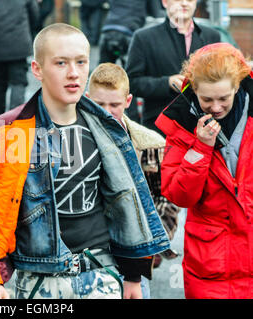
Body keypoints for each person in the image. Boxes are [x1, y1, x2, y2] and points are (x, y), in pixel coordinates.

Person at [0, 23, 170, 299]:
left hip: (103, 275)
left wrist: (133, 274)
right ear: (37, 69)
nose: (74, 73)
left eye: (81, 62)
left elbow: (126, 202)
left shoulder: (107, 128)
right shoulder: (8, 132)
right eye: (61, 63)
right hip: (41, 282)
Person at [155, 43, 253, 298]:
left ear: (237, 86)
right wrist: (201, 148)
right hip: (210, 265)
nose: (216, 107)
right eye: (207, 100)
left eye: (224, 98)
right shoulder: (182, 126)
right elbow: (179, 195)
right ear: (193, 90)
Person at [87, 62, 181, 298]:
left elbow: (167, 199)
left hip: (134, 260)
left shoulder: (151, 143)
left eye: (115, 104)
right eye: (99, 105)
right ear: (86, 99)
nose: (107, 111)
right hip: (89, 257)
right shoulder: (77, 141)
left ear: (128, 101)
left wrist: (151, 245)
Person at [125, 0, 220, 134]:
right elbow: (131, 83)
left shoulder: (212, 36)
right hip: (159, 129)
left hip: (202, 129)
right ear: (164, 2)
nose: (184, 3)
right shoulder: (144, 38)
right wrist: (167, 82)